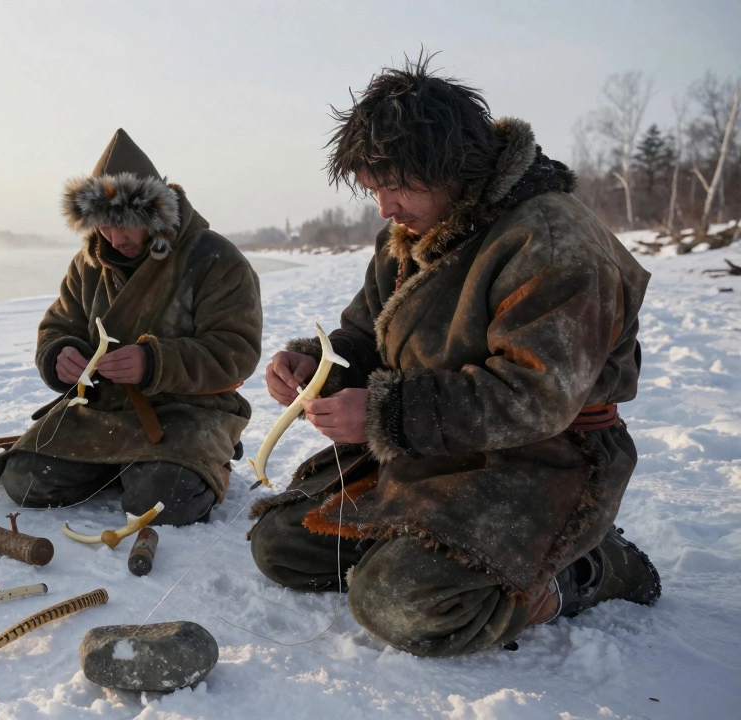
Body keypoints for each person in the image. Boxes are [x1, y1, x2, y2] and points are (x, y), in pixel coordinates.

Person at [248, 59, 660, 656]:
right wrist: (318, 368)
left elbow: (535, 396)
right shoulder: (414, 232)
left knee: (399, 604)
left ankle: (591, 568)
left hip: (544, 458)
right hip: (432, 449)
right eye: (373, 189)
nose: (384, 208)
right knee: (282, 545)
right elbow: (365, 338)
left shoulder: (552, 242)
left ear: (453, 167)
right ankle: (430, 549)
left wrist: (385, 415)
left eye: (396, 187)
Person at [0, 129, 263, 526]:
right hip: (102, 408)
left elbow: (237, 352)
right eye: (104, 225)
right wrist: (59, 354)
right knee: (25, 480)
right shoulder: (87, 264)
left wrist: (154, 362)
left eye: (127, 223)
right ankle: (125, 466)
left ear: (156, 212)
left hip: (187, 410)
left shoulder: (215, 259)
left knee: (161, 501)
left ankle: (201, 463)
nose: (116, 239)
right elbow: (58, 325)